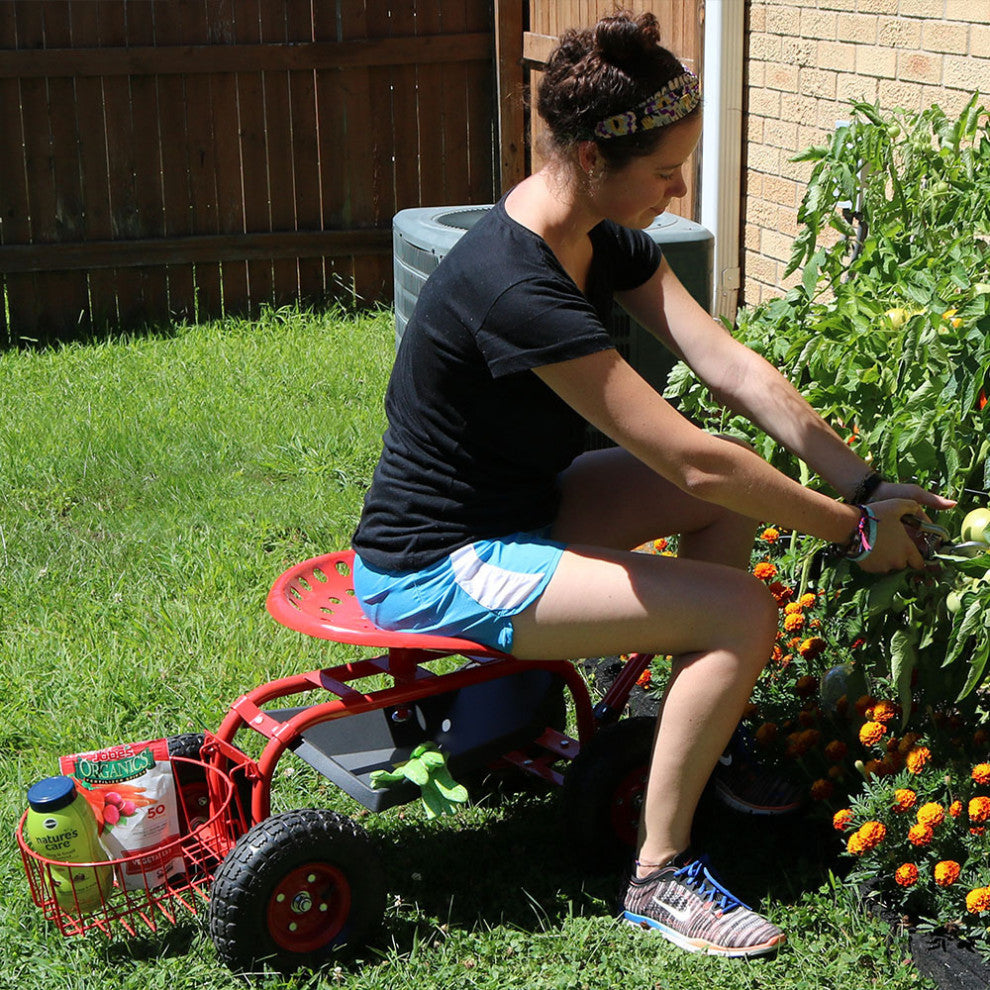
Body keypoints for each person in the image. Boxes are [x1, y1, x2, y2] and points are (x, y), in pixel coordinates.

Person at [351, 11, 954, 958]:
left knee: (720, 504)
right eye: (665, 171)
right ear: (592, 156)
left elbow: (733, 369)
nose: (679, 189)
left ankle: (695, 750)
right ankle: (660, 874)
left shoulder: (598, 235)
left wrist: (865, 481)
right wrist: (849, 530)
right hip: (439, 562)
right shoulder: (518, 284)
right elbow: (692, 457)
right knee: (742, 610)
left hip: (519, 511)